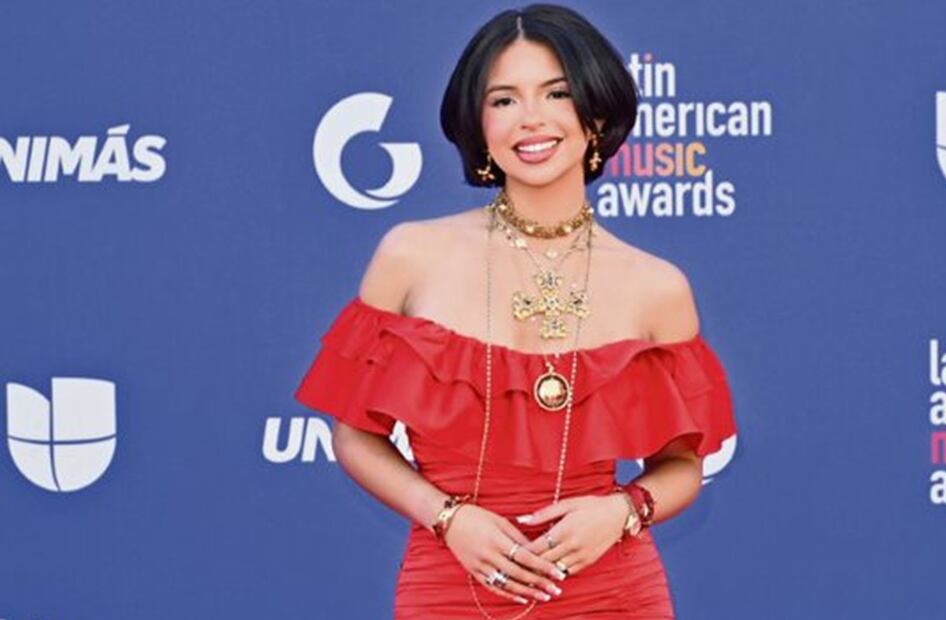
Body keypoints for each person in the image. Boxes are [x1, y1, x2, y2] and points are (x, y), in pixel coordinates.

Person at [295, 4, 738, 618]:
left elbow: (683, 464)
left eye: (557, 93)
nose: (531, 118)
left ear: (596, 114)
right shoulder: (411, 255)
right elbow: (354, 434)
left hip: (611, 593)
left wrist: (623, 510)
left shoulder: (657, 287)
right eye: (503, 100)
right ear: (478, 124)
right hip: (452, 585)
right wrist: (447, 517)